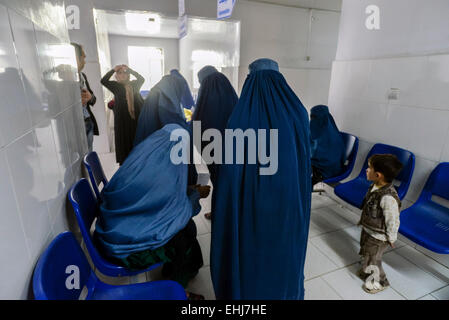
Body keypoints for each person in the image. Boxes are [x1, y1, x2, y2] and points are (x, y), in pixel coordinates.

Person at [210, 58, 312, 300]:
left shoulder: (241, 117)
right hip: (289, 202)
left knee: (252, 254)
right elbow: (304, 161)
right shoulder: (298, 111)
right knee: (286, 253)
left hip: (251, 205)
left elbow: (230, 176)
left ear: (250, 80)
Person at [94, 124, 210, 300]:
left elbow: (154, 195)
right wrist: (195, 195)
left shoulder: (143, 157)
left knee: (184, 230)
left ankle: (175, 274)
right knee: (183, 237)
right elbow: (175, 214)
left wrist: (186, 190)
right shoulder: (166, 173)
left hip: (109, 229)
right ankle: (178, 291)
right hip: (124, 249)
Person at [192, 66, 238, 220]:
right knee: (233, 182)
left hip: (213, 151)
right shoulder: (230, 93)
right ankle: (234, 213)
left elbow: (197, 125)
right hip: (235, 149)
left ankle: (218, 213)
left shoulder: (205, 97)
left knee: (218, 180)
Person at [357, 154, 403, 294]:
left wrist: (391, 237)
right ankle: (367, 271)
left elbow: (393, 220)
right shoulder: (375, 186)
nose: (366, 170)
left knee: (374, 260)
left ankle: (380, 282)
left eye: (369, 168)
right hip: (369, 230)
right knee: (366, 253)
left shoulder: (388, 197)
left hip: (379, 237)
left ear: (378, 175)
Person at [101, 65, 145, 165]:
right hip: (122, 121)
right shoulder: (115, 86)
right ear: (116, 76)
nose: (123, 75)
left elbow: (142, 78)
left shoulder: (134, 84)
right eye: (120, 73)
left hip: (134, 120)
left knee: (135, 141)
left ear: (128, 74)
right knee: (123, 142)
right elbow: (103, 81)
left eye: (125, 72)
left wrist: (130, 70)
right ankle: (124, 164)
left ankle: (137, 162)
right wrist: (113, 70)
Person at [133, 73, 190, 146]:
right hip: (158, 141)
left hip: (146, 137)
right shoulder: (165, 99)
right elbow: (172, 122)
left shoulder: (157, 91)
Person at [71, 42, 99, 152]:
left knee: (89, 153)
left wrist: (90, 97)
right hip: (75, 127)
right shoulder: (63, 79)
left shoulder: (82, 76)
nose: (85, 57)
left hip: (87, 122)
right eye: (83, 55)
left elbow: (93, 100)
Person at [310, 104, 346, 186]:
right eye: (311, 117)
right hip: (319, 167)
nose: (312, 120)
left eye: (314, 117)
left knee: (298, 177)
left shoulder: (331, 138)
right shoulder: (331, 131)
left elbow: (311, 154)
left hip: (327, 170)